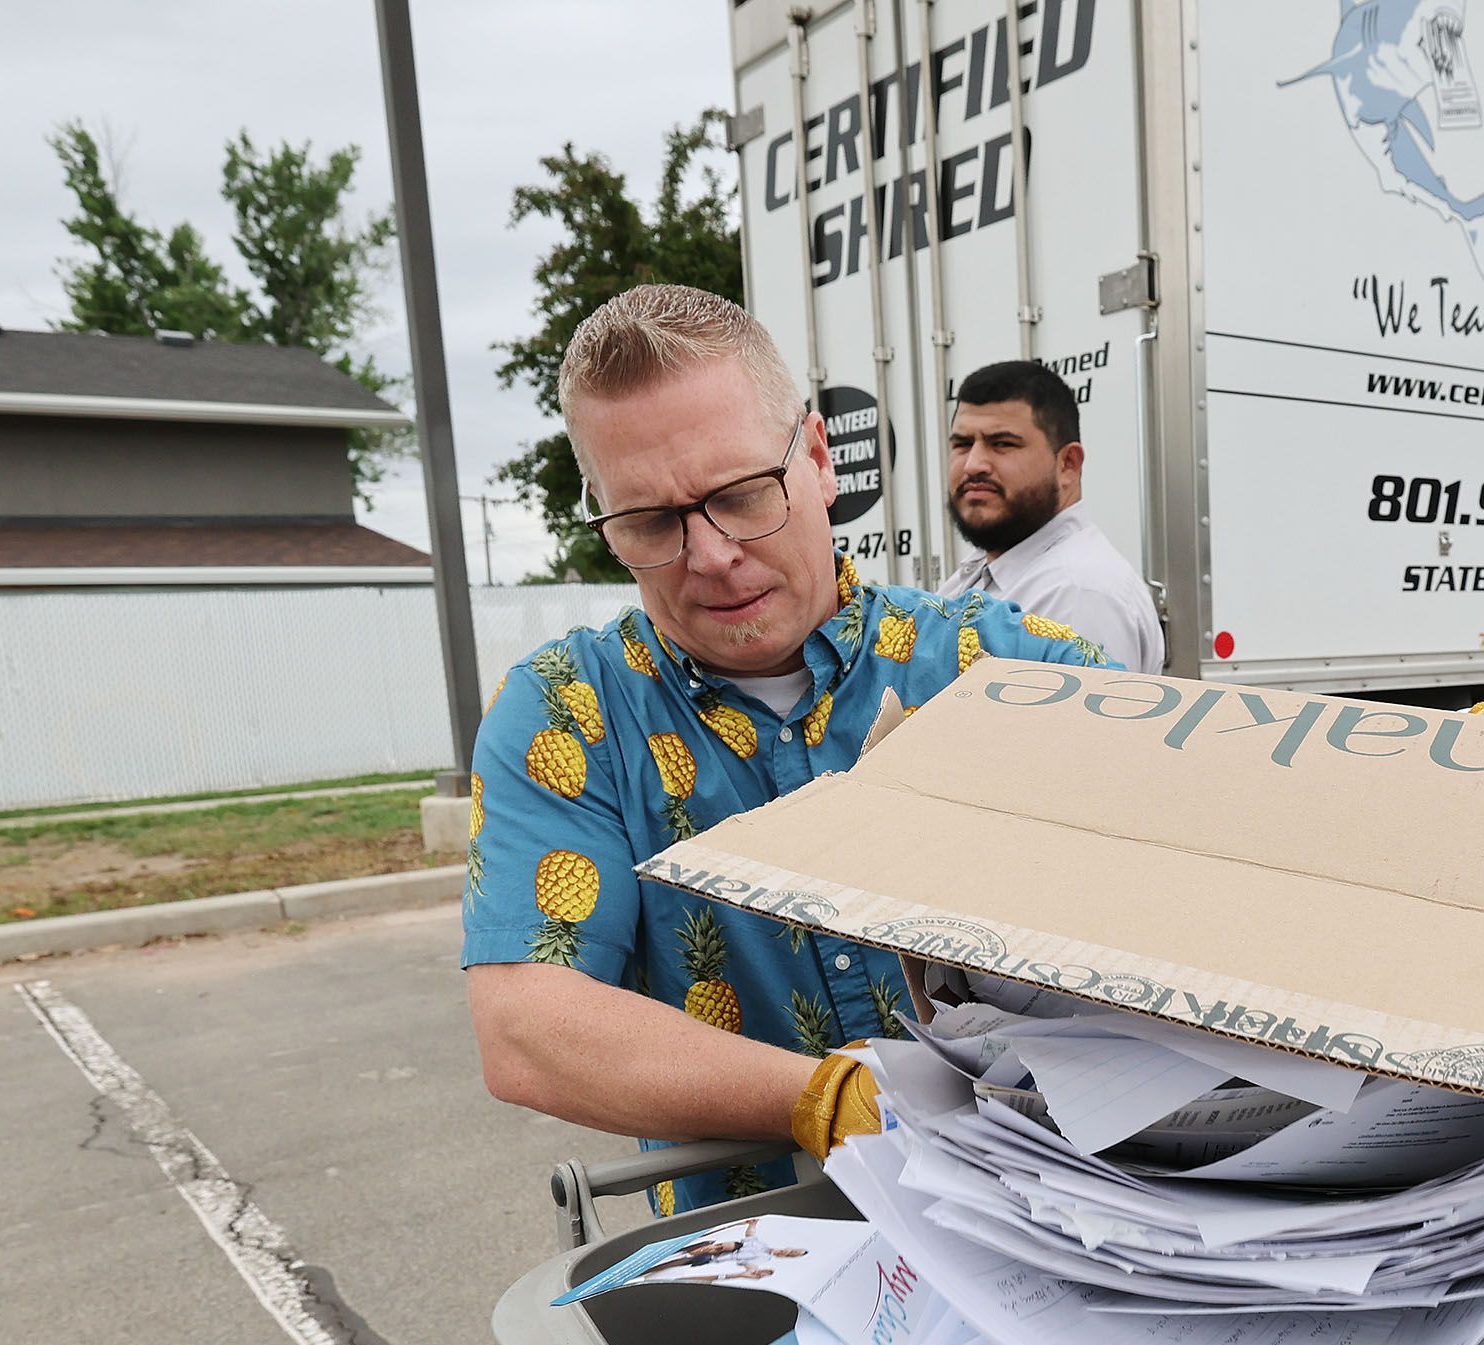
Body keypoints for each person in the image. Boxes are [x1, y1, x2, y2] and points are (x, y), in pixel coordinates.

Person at [462, 284, 1125, 1211]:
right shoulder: (569, 713)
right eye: (651, 523)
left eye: (740, 496)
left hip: (1060, 1214)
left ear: (817, 459)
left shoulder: (1007, 667)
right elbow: (530, 1027)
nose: (712, 556)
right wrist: (825, 1100)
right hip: (755, 1261)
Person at [938, 360, 1166, 673]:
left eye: (1002, 444)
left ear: (1068, 465)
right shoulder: (981, 572)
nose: (973, 464)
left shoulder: (1079, 595)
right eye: (962, 444)